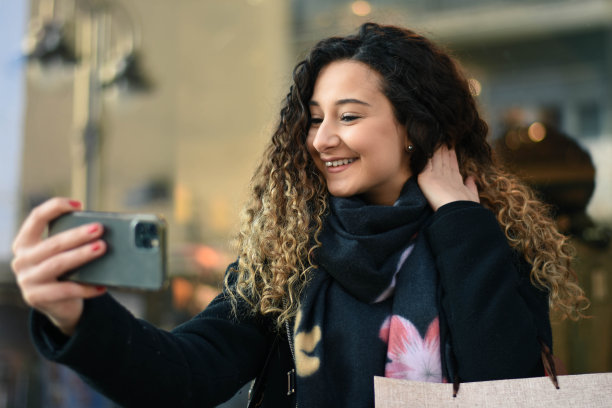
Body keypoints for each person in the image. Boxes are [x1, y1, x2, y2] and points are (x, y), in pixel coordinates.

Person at [11, 23, 588, 407]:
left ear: (416, 127)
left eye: (350, 116)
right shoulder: (291, 256)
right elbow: (185, 375)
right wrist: (79, 319)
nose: (322, 139)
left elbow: (508, 392)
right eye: (314, 119)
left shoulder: (486, 245)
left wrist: (462, 217)